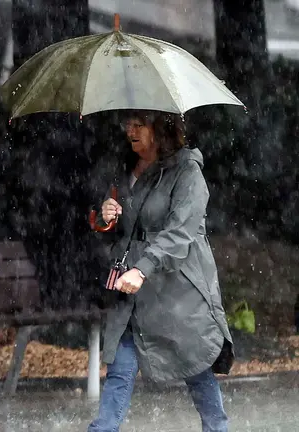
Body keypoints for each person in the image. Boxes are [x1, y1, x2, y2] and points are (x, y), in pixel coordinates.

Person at [88, 111, 234, 432]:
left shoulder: (187, 172)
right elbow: (117, 226)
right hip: (131, 290)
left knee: (195, 365)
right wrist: (104, 216)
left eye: (139, 124)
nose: (131, 130)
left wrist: (143, 270)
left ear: (160, 127)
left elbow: (179, 234)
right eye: (128, 124)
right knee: (120, 368)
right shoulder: (125, 168)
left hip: (177, 290)